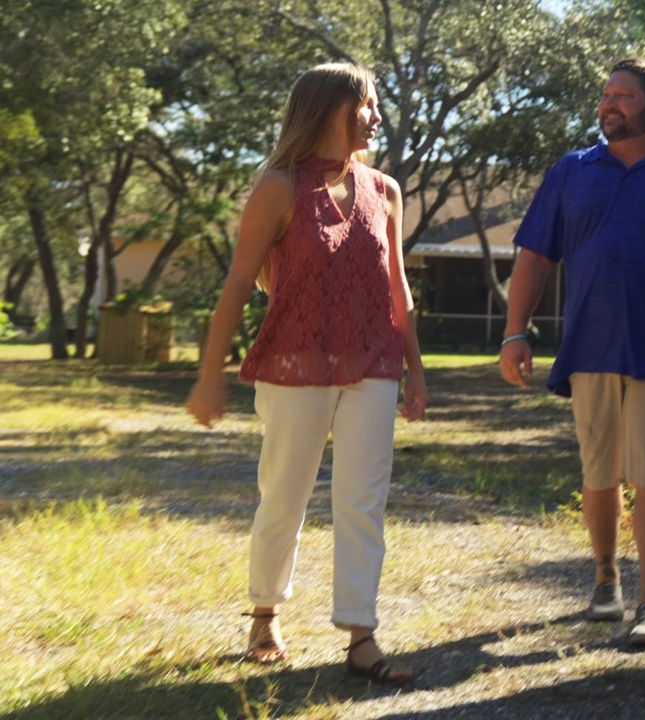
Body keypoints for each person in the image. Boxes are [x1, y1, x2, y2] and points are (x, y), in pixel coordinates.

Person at [186, 62, 427, 683]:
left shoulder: (387, 190)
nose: (376, 117)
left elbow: (398, 286)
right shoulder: (278, 187)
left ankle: (361, 635)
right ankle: (264, 613)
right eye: (367, 106)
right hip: (295, 362)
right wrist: (210, 377)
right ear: (330, 110)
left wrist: (415, 370)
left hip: (373, 363)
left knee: (363, 499)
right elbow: (240, 285)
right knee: (285, 494)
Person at [498, 58, 645, 649]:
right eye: (605, 94)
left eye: (623, 97)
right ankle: (606, 577)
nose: (609, 104)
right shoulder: (572, 172)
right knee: (599, 472)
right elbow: (534, 256)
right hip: (589, 346)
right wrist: (514, 331)